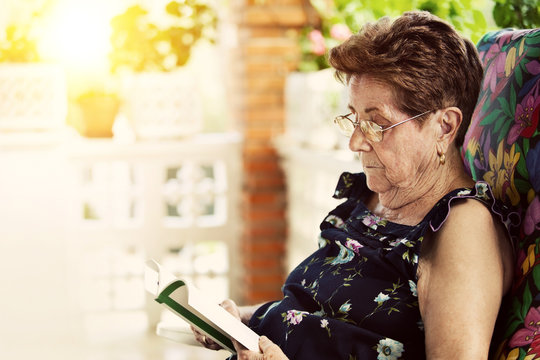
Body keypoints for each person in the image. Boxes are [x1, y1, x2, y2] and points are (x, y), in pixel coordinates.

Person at [192, 10, 514, 359]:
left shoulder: (461, 227)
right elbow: (319, 315)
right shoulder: (371, 198)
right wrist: (241, 320)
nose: (356, 143)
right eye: (353, 119)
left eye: (377, 125)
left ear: (445, 127)